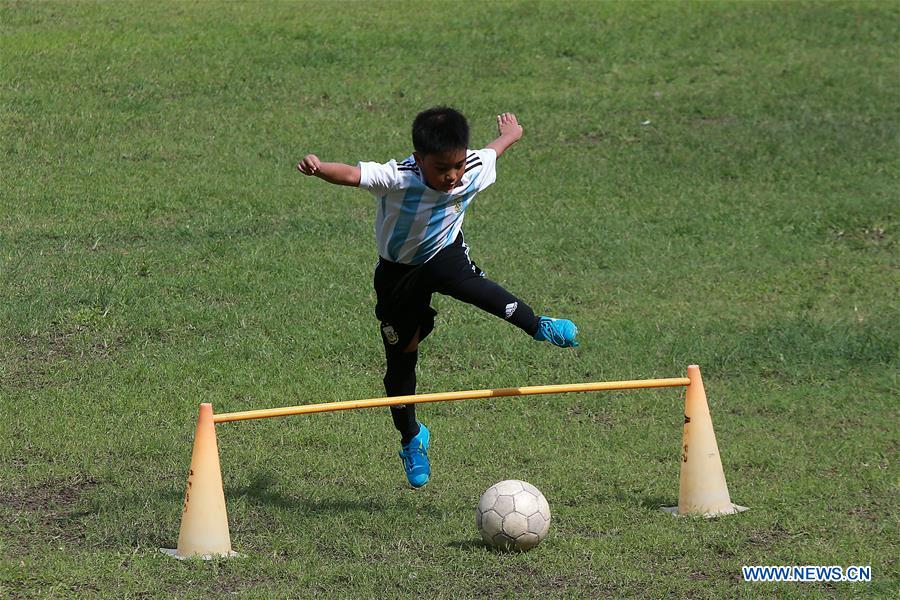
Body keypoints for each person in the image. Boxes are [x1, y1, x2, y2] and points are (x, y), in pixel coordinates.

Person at [297, 107, 578, 488]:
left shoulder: (472, 167)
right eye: (442, 168)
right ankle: (412, 437)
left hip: (444, 254)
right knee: (401, 359)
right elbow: (351, 174)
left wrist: (511, 133)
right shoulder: (399, 176)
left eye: (457, 166)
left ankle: (538, 325)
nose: (452, 176)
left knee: (474, 287)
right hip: (398, 274)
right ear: (419, 160)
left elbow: (494, 150)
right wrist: (318, 168)